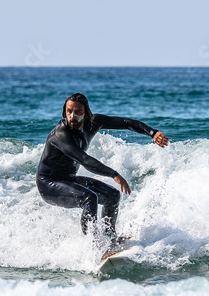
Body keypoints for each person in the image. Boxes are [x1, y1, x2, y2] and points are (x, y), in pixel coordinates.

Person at [36, 93, 169, 244]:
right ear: (64, 112)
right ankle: (95, 246)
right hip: (48, 184)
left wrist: (152, 133)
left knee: (112, 196)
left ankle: (109, 238)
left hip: (68, 179)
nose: (72, 116)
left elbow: (126, 122)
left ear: (86, 113)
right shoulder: (61, 134)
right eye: (69, 111)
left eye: (78, 112)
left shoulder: (93, 122)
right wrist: (114, 174)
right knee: (89, 198)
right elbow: (84, 160)